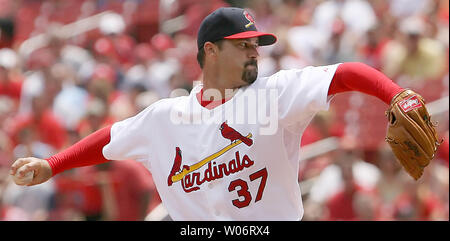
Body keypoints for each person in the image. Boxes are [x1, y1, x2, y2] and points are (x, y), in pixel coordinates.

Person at [9, 7, 430, 221]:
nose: (254, 50)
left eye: (255, 44)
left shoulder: (274, 94)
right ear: (210, 50)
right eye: (243, 43)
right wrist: (53, 163)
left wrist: (396, 95)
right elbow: (111, 139)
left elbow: (346, 73)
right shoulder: (166, 116)